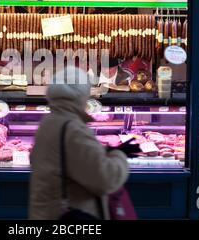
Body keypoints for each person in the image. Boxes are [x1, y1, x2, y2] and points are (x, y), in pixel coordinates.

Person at [29, 66, 139, 219]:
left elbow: (69, 160)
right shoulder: (73, 129)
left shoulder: (49, 122)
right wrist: (119, 155)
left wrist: (104, 152)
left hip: (47, 212)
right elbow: (105, 179)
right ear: (80, 96)